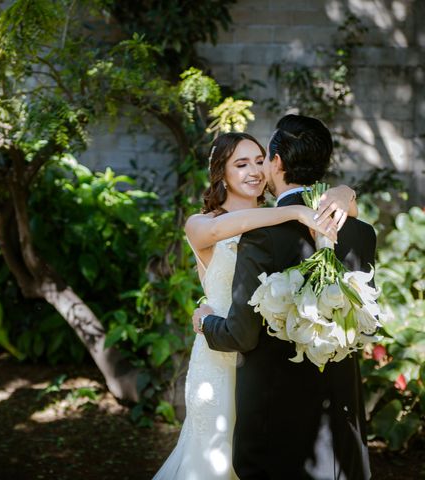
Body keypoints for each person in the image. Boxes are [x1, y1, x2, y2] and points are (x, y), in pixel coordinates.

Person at [153, 130, 357, 480]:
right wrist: (295, 210)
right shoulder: (202, 223)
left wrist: (342, 192)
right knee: (216, 460)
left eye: (260, 161)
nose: (254, 171)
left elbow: (350, 212)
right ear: (222, 173)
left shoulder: (283, 220)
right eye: (241, 163)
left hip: (270, 362)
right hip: (220, 359)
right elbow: (231, 227)